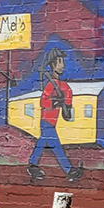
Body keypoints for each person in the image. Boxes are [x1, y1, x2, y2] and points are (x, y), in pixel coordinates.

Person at [29, 49, 80, 182]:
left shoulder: (64, 87)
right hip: (46, 121)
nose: (62, 65)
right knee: (56, 146)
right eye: (59, 62)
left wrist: (66, 106)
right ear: (52, 65)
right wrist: (56, 101)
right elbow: (43, 101)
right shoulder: (51, 85)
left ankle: (32, 165)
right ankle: (69, 171)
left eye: (62, 62)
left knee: (41, 143)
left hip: (53, 121)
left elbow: (67, 110)